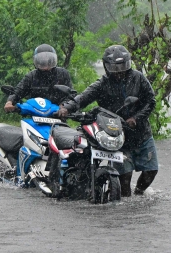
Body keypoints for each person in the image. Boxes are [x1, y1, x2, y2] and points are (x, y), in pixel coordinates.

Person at [61, 45, 158, 197]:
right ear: (107, 67)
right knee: (124, 176)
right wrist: (67, 108)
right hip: (117, 134)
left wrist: (136, 118)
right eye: (115, 67)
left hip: (142, 132)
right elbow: (83, 97)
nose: (120, 71)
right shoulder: (102, 83)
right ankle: (123, 204)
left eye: (123, 66)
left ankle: (139, 194)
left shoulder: (138, 77)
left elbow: (150, 101)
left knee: (151, 171)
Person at [4, 44, 73, 112]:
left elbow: (70, 95)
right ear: (36, 61)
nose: (46, 65)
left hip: (57, 115)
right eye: (42, 61)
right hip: (35, 116)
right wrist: (9, 102)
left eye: (48, 61)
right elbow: (18, 92)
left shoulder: (63, 74)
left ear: (53, 60)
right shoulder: (31, 76)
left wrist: (64, 106)